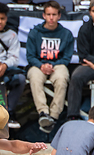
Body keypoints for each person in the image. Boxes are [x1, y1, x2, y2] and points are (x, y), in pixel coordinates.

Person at [26, 1, 74, 134]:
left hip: (57, 65)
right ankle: (43, 113)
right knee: (34, 78)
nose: (51, 17)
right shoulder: (35, 33)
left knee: (62, 78)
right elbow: (30, 56)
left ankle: (53, 116)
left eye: (54, 14)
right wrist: (41, 65)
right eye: (48, 14)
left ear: (59, 16)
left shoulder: (66, 34)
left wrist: (51, 65)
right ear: (43, 15)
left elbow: (67, 58)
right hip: (38, 65)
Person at [67, 0, 94, 120]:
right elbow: (84, 55)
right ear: (90, 13)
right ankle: (72, 116)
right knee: (76, 76)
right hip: (90, 67)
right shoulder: (84, 29)